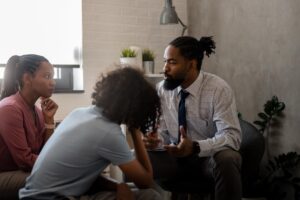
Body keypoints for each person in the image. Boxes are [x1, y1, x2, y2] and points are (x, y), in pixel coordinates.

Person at [19, 67, 162, 200]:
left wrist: (118, 186)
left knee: (128, 188)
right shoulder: (108, 132)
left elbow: (79, 175)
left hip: (33, 195)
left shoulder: (79, 113)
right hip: (52, 198)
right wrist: (135, 131)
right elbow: (146, 181)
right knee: (150, 195)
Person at [143, 36, 242, 200]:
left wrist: (195, 147)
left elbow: (232, 137)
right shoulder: (161, 90)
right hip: (174, 158)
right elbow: (163, 132)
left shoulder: (218, 89)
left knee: (228, 158)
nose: (164, 68)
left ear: (191, 64)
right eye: (165, 61)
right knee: (133, 157)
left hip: (207, 159)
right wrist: (155, 140)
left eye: (172, 62)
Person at [0, 54, 58, 200]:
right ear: (27, 79)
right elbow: (25, 161)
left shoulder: (37, 111)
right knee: (58, 179)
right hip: (4, 175)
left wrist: (49, 121)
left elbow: (46, 151)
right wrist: (58, 165)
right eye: (47, 76)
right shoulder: (10, 108)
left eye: (53, 77)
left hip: (20, 172)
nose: (52, 82)